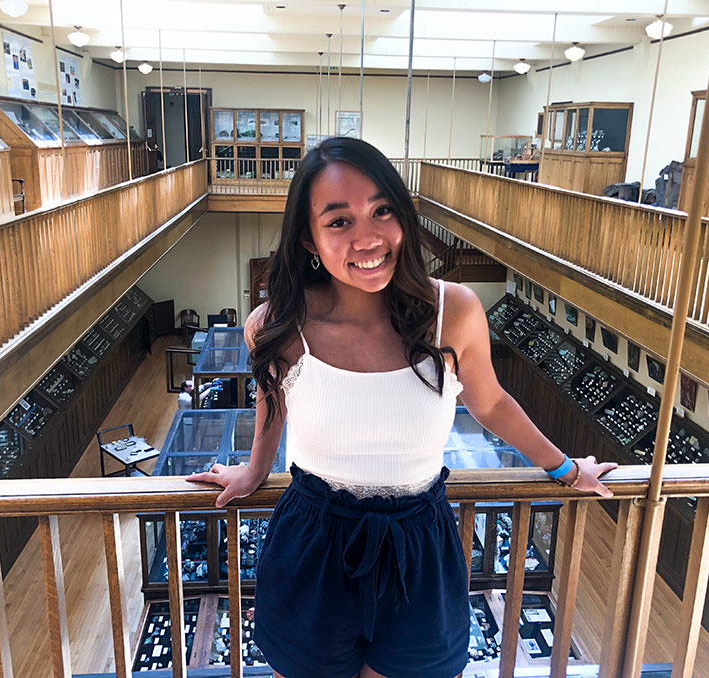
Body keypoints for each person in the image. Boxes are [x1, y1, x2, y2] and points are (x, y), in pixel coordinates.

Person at [187, 137, 616, 678]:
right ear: (308, 238)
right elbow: (273, 399)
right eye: (339, 221)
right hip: (314, 536)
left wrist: (565, 468)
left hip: (420, 540)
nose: (368, 238)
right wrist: (254, 469)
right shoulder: (276, 326)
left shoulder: (452, 310)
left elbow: (491, 403)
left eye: (382, 210)